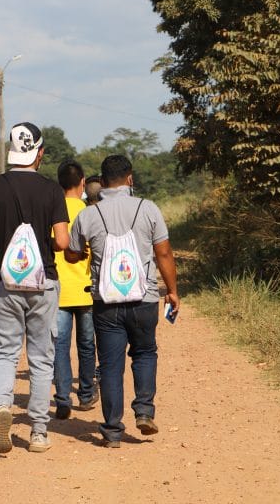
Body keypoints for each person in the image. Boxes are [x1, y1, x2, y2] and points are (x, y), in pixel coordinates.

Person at [0, 122, 69, 453]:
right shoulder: (52, 190)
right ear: (38, 153)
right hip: (44, 283)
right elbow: (62, 241)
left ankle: (1, 407)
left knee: (4, 351)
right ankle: (38, 432)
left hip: (4, 282)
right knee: (41, 357)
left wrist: (5, 245)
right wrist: (39, 243)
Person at [66, 154, 180, 448]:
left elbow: (72, 253)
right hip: (144, 300)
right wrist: (172, 290)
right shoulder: (149, 209)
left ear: (102, 183)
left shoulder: (88, 214)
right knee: (144, 353)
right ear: (130, 179)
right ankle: (143, 411)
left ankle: (113, 431)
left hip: (106, 303)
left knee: (111, 364)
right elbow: (164, 254)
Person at [52, 160, 98, 420]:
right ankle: (86, 394)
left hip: (59, 290)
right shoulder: (89, 211)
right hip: (86, 289)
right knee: (86, 345)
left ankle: (62, 399)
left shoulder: (52, 210)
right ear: (82, 182)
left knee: (59, 346)